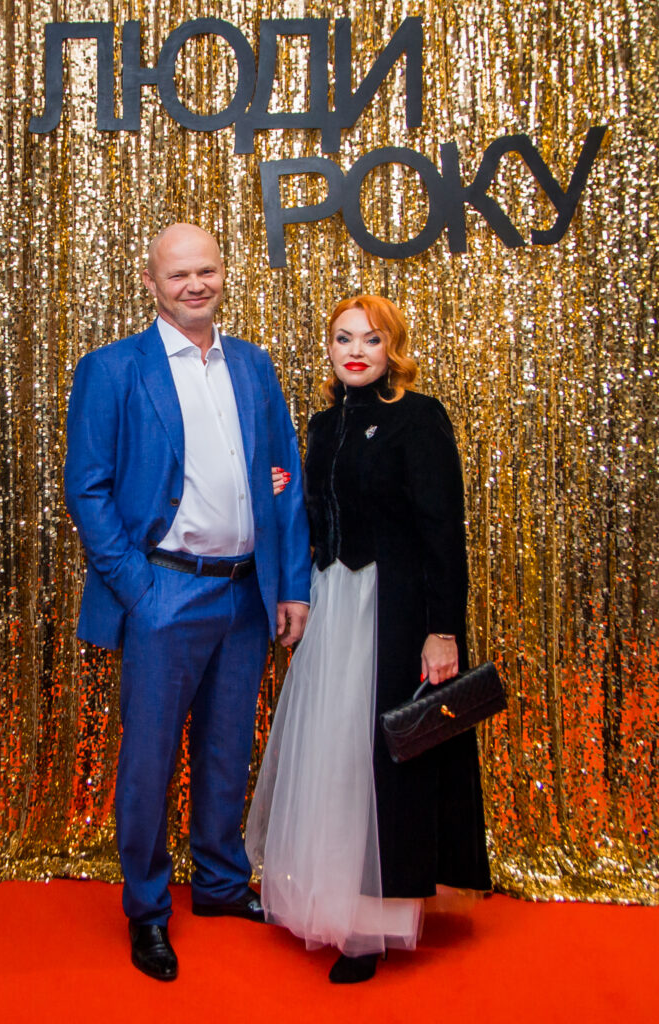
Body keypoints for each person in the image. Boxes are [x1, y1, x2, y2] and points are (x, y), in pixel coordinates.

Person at [64, 224, 311, 981]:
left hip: (246, 592)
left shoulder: (253, 364)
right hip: (164, 589)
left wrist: (290, 583)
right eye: (178, 275)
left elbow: (285, 476)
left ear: (223, 273)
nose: (194, 284)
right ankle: (147, 909)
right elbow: (88, 490)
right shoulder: (113, 369)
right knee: (148, 760)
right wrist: (139, 589)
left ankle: (221, 884)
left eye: (206, 270)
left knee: (228, 748)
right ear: (151, 283)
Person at [246, 295, 491, 984]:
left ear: (392, 349)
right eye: (343, 338)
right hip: (333, 607)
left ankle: (370, 928)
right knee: (333, 757)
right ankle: (328, 899)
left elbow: (442, 532)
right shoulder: (323, 425)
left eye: (371, 339)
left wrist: (442, 630)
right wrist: (283, 497)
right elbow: (317, 518)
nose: (355, 351)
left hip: (395, 614)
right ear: (328, 348)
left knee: (382, 760)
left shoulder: (419, 417)